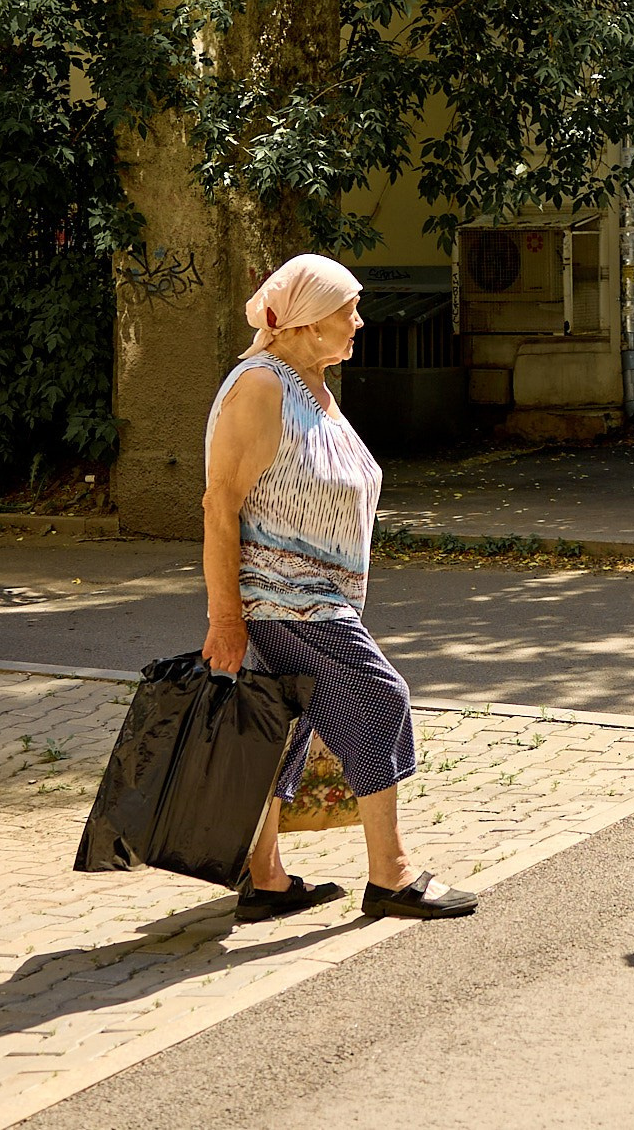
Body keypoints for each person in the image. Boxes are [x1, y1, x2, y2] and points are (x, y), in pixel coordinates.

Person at [201, 253, 477, 923]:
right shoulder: (262, 385)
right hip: (287, 595)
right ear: (298, 323)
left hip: (315, 594)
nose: (359, 321)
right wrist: (226, 617)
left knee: (283, 725)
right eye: (344, 311)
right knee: (381, 698)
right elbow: (219, 504)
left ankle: (265, 879)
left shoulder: (311, 383)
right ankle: (392, 874)